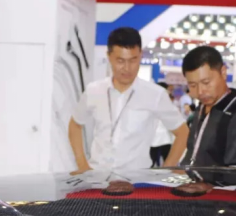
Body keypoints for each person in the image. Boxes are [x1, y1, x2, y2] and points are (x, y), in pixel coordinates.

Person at [69, 27, 189, 174]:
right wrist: (82, 165)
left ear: (140, 55)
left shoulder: (155, 94)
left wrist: (166, 170)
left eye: (133, 60)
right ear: (109, 56)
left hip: (136, 180)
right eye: (120, 61)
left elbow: (183, 133)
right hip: (97, 177)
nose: (127, 68)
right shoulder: (94, 90)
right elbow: (75, 124)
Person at [150, 82, 174, 167]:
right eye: (167, 90)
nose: (169, 92)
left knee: (155, 162)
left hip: (161, 138)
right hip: (158, 138)